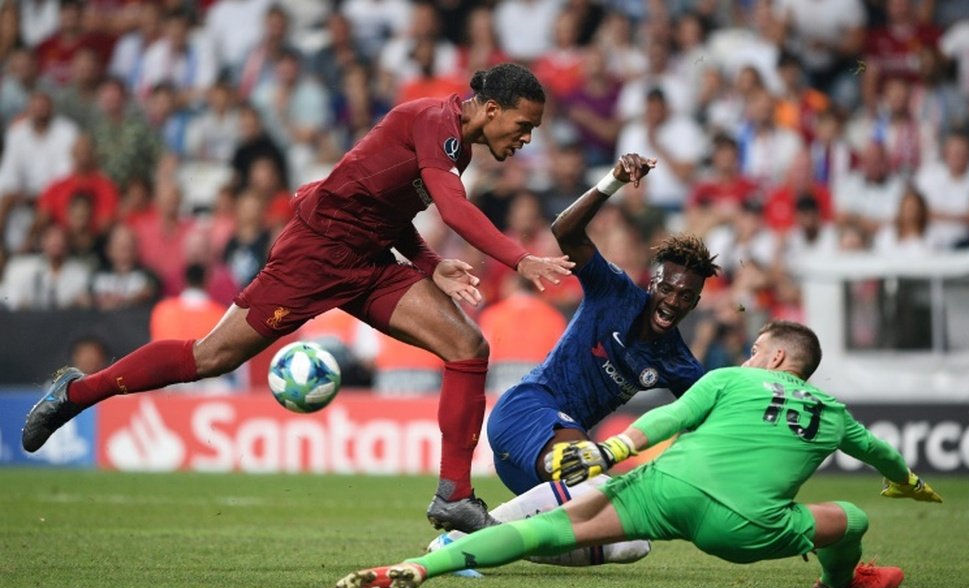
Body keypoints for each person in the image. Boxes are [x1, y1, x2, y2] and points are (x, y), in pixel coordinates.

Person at [21, 63, 574, 534]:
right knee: (210, 357)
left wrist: (429, 264)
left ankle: (453, 494)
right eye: (525, 125)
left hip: (369, 261)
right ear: (492, 109)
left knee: (467, 347)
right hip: (318, 253)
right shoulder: (436, 123)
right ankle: (76, 392)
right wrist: (520, 259)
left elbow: (393, 211)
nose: (527, 138)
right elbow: (453, 211)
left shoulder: (456, 147)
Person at [334, 321, 944, 588]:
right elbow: (881, 454)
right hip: (746, 527)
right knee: (852, 519)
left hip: (665, 488)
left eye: (759, 350)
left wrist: (610, 449)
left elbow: (667, 418)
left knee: (535, 530)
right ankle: (839, 582)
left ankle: (415, 568)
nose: (751, 356)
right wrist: (910, 483)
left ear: (782, 360)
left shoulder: (732, 380)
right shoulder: (833, 412)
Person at [433, 153, 717, 568]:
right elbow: (564, 230)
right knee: (592, 478)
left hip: (540, 466)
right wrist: (612, 182)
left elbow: (708, 418)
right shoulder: (615, 291)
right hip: (529, 411)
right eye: (668, 289)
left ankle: (494, 538)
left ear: (695, 302)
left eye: (686, 296)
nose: (673, 301)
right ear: (652, 281)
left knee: (631, 541)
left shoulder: (678, 361)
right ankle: (457, 542)